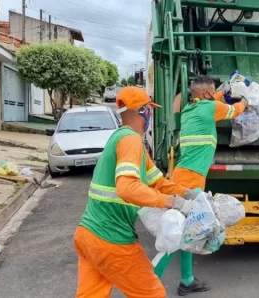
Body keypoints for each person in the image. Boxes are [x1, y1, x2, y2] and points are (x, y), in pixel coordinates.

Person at [74, 86, 198, 298]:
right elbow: (127, 188)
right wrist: (173, 203)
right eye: (149, 109)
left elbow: (158, 182)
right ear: (144, 111)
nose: (151, 114)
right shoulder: (130, 140)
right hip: (112, 239)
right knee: (152, 294)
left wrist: (189, 194)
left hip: (88, 236)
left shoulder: (124, 140)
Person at [154, 75, 248, 296]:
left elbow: (211, 100)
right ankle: (148, 286)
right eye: (212, 92)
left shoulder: (191, 108)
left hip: (184, 177)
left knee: (188, 231)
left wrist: (221, 93)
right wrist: (246, 99)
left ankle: (186, 281)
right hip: (189, 183)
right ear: (206, 95)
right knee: (175, 235)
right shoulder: (209, 108)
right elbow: (236, 111)